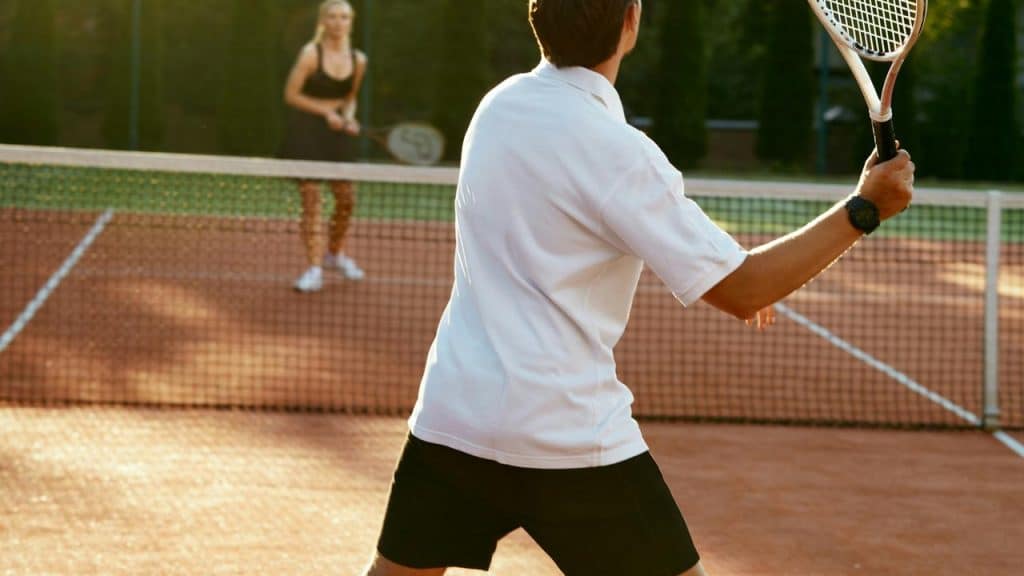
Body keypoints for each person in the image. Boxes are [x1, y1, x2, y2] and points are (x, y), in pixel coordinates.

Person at [364, 1, 914, 574]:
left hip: (454, 419)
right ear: (631, 22)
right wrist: (865, 208)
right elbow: (744, 288)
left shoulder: (497, 107)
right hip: (567, 434)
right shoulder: (619, 151)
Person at [281, 0, 367, 293]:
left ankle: (334, 253)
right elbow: (291, 95)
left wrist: (348, 118)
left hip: (337, 136)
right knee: (312, 200)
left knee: (346, 199)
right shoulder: (310, 54)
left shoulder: (358, 60)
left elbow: (350, 97)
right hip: (306, 133)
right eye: (332, 16)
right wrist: (326, 113)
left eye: (344, 16)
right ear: (323, 21)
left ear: (350, 22)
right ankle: (314, 268)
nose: (338, 21)